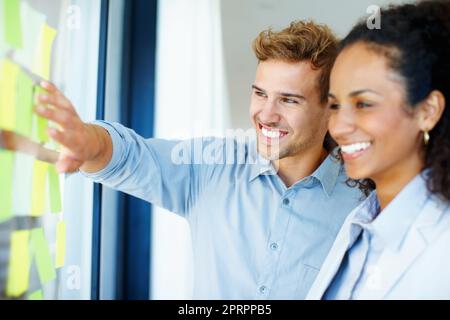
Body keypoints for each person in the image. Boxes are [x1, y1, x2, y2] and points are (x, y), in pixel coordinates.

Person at [35, 21, 363, 299]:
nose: (265, 114)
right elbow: (131, 157)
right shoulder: (212, 167)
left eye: (288, 100)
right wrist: (87, 142)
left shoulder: (365, 200)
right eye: (260, 93)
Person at [307, 0, 450, 300]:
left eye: (364, 104)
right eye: (335, 105)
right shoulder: (358, 223)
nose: (339, 127)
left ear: (427, 110)